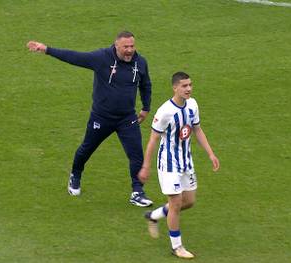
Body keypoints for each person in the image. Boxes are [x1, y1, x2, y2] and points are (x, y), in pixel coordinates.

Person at [27, 31, 153, 207]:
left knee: (136, 155)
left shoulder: (140, 62)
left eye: (132, 46)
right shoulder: (101, 58)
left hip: (127, 118)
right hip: (102, 117)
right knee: (86, 149)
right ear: (116, 45)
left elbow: (146, 85)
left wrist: (146, 107)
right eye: (126, 47)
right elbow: (75, 57)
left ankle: (137, 192)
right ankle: (75, 175)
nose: (130, 50)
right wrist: (47, 49)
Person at [138, 71, 220, 259]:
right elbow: (153, 140)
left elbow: (197, 129)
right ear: (175, 87)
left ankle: (154, 216)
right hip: (168, 164)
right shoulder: (165, 111)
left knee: (189, 201)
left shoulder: (193, 105)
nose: (189, 88)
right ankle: (177, 246)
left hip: (186, 162)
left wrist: (210, 153)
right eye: (184, 86)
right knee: (175, 203)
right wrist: (146, 166)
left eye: (190, 85)